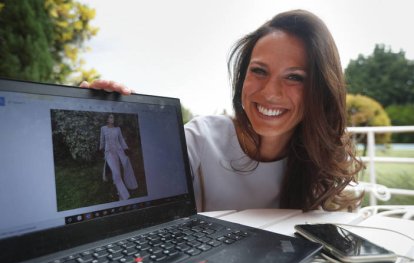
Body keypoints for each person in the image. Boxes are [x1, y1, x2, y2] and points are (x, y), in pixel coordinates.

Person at [82, 9, 363, 212]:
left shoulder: (319, 158)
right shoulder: (202, 138)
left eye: (294, 77)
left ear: (320, 89)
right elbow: (135, 202)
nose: (270, 92)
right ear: (242, 78)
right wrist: (84, 111)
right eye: (259, 71)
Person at [100, 113, 138, 200]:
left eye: (113, 117)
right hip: (109, 153)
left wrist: (126, 149)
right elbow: (102, 140)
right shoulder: (103, 128)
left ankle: (131, 185)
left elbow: (121, 140)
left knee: (125, 166)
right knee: (116, 173)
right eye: (110, 117)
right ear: (107, 119)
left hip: (119, 151)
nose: (112, 119)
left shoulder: (117, 129)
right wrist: (100, 150)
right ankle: (123, 195)